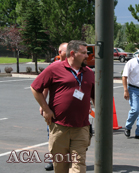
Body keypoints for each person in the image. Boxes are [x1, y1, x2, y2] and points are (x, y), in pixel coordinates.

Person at [31, 40, 95, 173]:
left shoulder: (88, 72)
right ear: (72, 53)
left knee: (79, 166)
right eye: (83, 53)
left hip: (81, 127)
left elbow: (95, 96)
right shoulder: (54, 69)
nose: (86, 56)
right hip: (59, 127)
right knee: (60, 168)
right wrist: (46, 109)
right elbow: (35, 88)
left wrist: (98, 112)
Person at [40, 42, 68, 171]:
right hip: (55, 109)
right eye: (66, 51)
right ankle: (53, 160)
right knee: (52, 135)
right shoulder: (53, 67)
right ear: (59, 52)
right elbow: (44, 87)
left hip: (72, 111)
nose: (69, 54)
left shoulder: (75, 67)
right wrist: (43, 106)